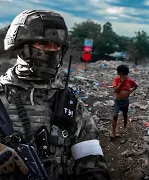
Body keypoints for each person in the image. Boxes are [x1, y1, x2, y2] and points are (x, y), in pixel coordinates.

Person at [0, 10, 110, 180]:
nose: (52, 51)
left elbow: (92, 165)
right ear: (22, 47)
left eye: (57, 45)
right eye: (43, 44)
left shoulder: (70, 105)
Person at [112, 65, 138, 139]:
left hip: (125, 101)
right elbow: (115, 90)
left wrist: (130, 91)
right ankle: (113, 132)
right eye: (123, 74)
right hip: (118, 101)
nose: (124, 76)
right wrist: (122, 83)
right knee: (115, 115)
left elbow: (136, 86)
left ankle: (125, 125)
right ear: (119, 74)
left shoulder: (130, 81)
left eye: (126, 75)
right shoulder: (116, 80)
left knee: (125, 114)